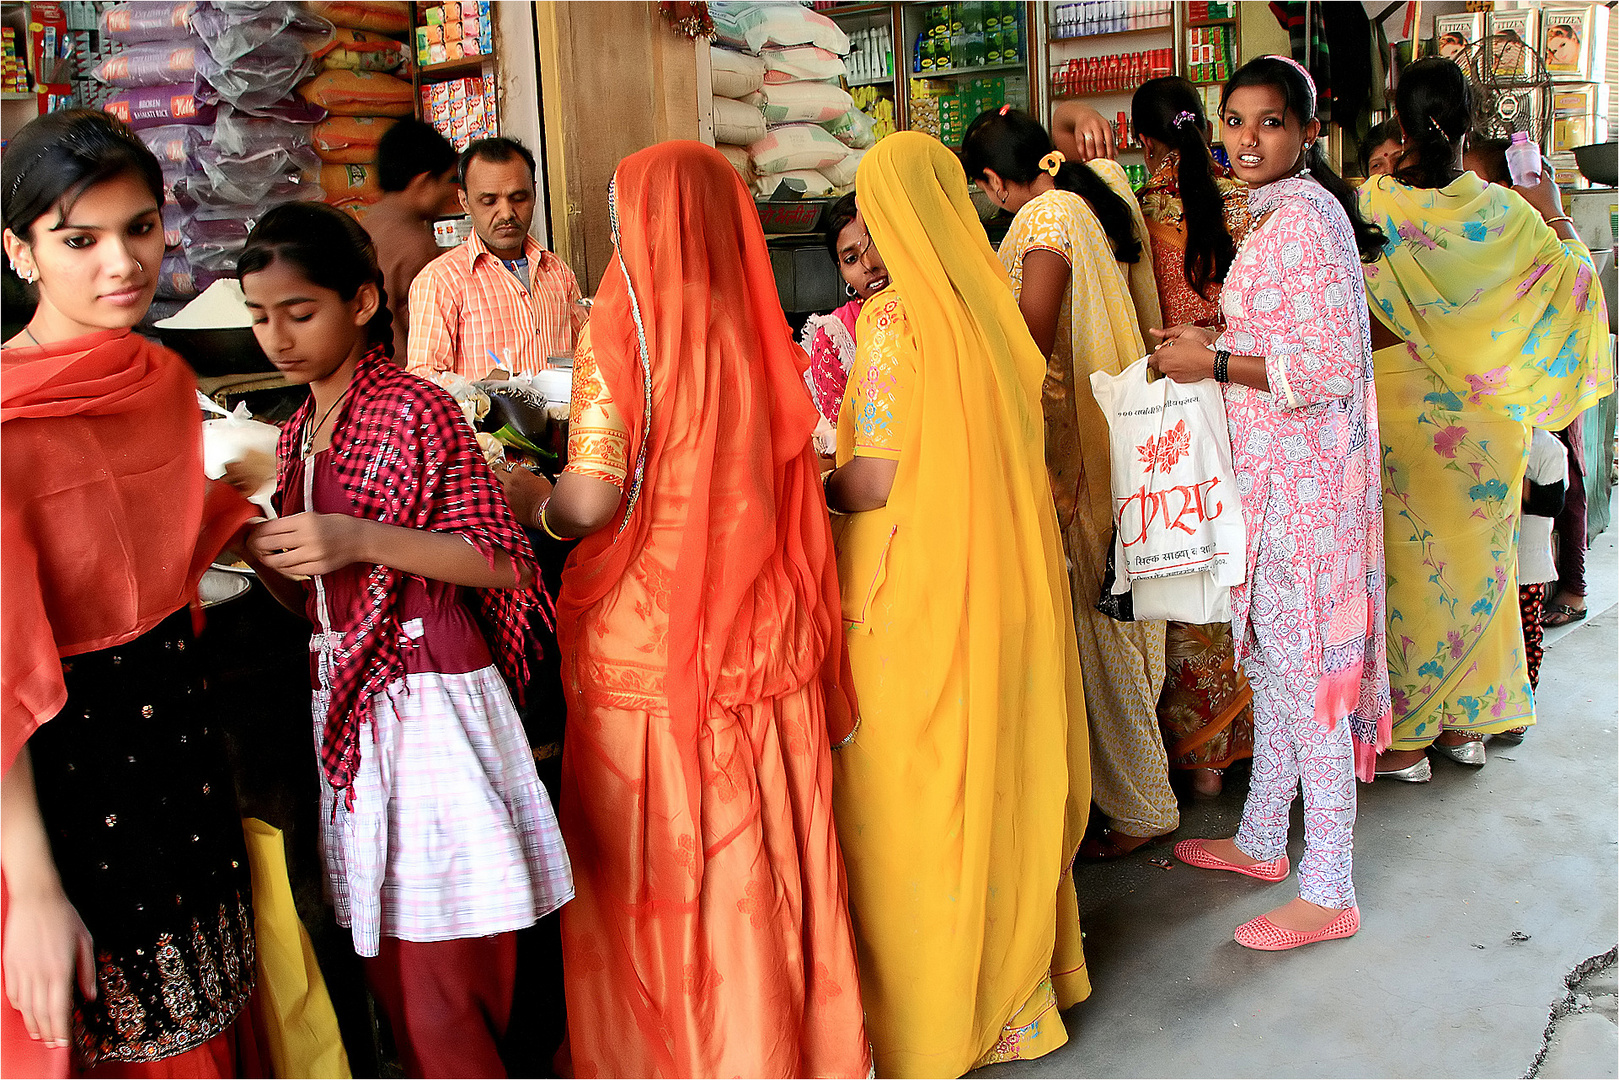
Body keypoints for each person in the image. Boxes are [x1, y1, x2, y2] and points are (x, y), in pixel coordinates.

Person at [501, 142, 871, 1078]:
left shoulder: (623, 329)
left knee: (676, 869)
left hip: (652, 644)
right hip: (764, 631)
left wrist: (525, 500)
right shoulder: (759, 326)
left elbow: (588, 498)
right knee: (771, 857)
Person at [237, 202, 573, 1078]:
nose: (276, 336)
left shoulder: (414, 408)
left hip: (430, 698)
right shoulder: (287, 434)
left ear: (358, 302)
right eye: (259, 315)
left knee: (444, 962)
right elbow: (312, 604)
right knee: (390, 955)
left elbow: (502, 563)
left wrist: (354, 538)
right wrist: (256, 545)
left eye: (298, 312)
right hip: (350, 704)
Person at [823, 130, 1091, 1075]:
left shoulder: (896, 323)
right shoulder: (992, 309)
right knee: (1003, 774)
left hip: (920, 602)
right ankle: (1020, 998)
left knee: (922, 797)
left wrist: (810, 480)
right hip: (1008, 589)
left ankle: (941, 1012)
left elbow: (876, 478)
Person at [1, 109, 258, 1076]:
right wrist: (28, 886)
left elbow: (161, 547)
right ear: (19, 252)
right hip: (56, 795)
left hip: (179, 763)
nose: (122, 262)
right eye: (79, 240)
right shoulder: (5, 424)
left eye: (140, 227)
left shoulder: (158, 379)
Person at [1154, 56, 1390, 950]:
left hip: (1306, 494)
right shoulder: (1287, 213)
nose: (1246, 141)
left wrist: (1210, 363)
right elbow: (1294, 335)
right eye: (1235, 121)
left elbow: (1327, 370)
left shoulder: (1301, 222)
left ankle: (1328, 887)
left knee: (1312, 681)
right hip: (1279, 483)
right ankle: (1262, 841)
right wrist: (1215, 336)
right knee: (1273, 669)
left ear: (1306, 131)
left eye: (1269, 124)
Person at [1358, 58, 1612, 778]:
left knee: (1406, 574)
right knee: (1477, 573)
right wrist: (1553, 204)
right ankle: (1462, 729)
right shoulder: (1509, 214)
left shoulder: (1375, 202)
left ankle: (1405, 738)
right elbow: (1576, 288)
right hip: (1484, 419)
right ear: (1469, 123)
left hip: (1400, 411)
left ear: (1399, 124)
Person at [961, 106, 1178, 859]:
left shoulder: (1044, 219)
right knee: (1119, 612)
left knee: (1097, 621)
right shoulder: (1079, 200)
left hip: (1076, 452)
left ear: (992, 181)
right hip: (1110, 438)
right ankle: (1132, 791)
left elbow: (1029, 338)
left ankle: (1142, 803)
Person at [1127, 78, 1256, 797]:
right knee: (1241, 564)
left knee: (1183, 563)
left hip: (1176, 408)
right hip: (1245, 396)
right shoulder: (1242, 196)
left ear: (1144, 139)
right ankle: (1248, 739)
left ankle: (1199, 758)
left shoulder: (1143, 210)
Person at [407, 137, 584, 378]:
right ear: (464, 201)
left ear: (534, 192)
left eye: (519, 198)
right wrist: (481, 393)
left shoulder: (557, 272)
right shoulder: (440, 281)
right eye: (489, 201)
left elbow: (586, 354)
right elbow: (424, 379)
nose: (506, 213)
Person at [799, 192, 889, 457]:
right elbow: (844, 439)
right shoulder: (833, 335)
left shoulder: (935, 310)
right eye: (850, 259)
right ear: (841, 272)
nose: (868, 264)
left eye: (876, 245)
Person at [362, 119, 461, 360]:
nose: (452, 191)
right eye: (447, 181)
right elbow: (396, 321)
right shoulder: (415, 242)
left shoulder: (366, 223)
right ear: (424, 182)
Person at [1503, 428, 1569, 741]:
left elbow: (1550, 504)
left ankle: (1522, 705)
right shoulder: (1488, 434)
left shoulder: (1548, 447)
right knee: (1494, 635)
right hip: (1490, 559)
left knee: (1526, 632)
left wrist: (1512, 474)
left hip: (1528, 563)